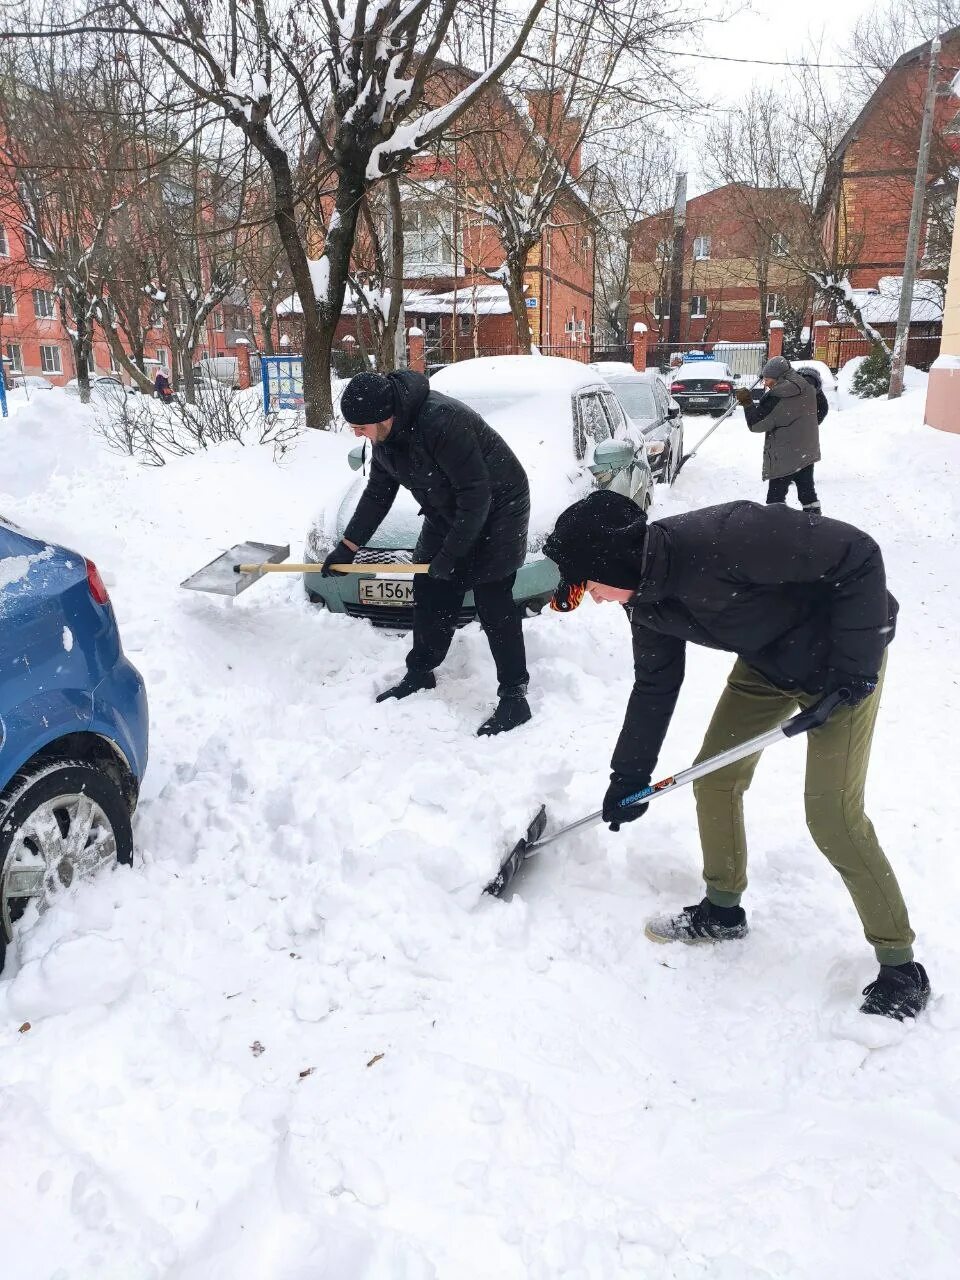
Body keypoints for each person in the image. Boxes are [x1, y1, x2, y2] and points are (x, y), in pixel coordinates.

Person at [542, 489, 929, 1021]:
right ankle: (722, 912)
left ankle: (900, 965)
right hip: (768, 664)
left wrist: (857, 667)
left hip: (842, 667)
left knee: (833, 816)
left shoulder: (727, 536)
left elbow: (858, 553)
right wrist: (627, 776)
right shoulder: (643, 600)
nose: (594, 599)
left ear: (613, 563)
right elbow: (655, 687)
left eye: (588, 586)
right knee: (715, 778)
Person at [325, 369, 532, 736]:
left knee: (493, 599)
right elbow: (378, 493)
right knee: (429, 590)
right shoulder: (384, 437)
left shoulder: (442, 422)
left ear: (386, 415)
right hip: (447, 508)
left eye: (360, 425)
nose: (356, 432)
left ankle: (515, 696)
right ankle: (420, 672)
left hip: (498, 506)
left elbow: (476, 495)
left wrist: (449, 558)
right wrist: (348, 547)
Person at [735, 355, 821, 512]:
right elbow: (820, 410)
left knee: (775, 500)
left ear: (778, 377)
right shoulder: (808, 387)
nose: (765, 383)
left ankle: (775, 529)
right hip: (806, 452)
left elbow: (756, 424)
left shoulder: (778, 396)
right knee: (807, 494)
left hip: (784, 455)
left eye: (767, 380)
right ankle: (815, 525)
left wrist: (747, 403)